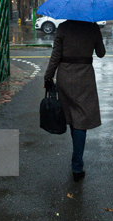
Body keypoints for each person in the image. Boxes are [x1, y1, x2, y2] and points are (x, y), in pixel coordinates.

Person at [44, 20, 106, 182]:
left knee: (72, 116)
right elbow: (101, 53)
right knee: (81, 118)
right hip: (85, 77)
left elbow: (56, 55)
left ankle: (76, 159)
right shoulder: (93, 27)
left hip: (65, 76)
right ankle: (77, 165)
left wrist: (48, 76)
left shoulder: (63, 27)